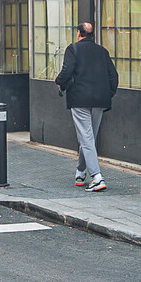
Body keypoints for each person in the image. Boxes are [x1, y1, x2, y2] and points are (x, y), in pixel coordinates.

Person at [54, 20, 119, 192]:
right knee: (89, 137)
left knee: (86, 138)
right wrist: (108, 93)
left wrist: (59, 83)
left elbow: (67, 71)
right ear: (92, 34)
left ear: (78, 33)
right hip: (99, 101)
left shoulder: (73, 49)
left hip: (79, 99)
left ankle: (97, 177)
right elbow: (114, 77)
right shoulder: (102, 52)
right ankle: (80, 172)